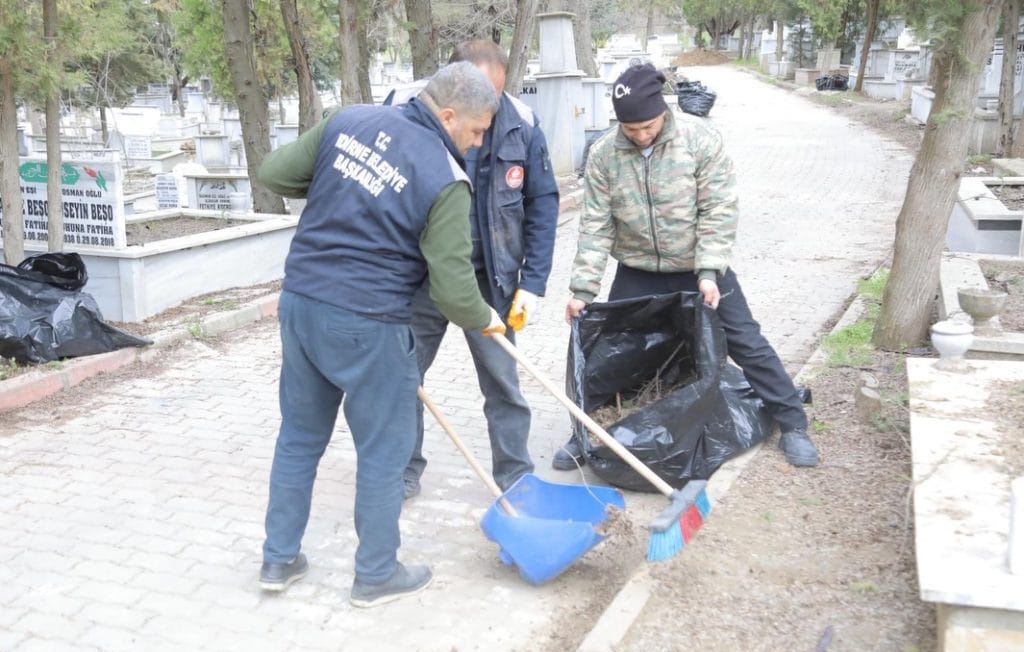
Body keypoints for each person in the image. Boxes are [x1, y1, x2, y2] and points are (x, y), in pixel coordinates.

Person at [256, 62, 507, 607]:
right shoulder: (446, 176)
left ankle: (278, 558)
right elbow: (452, 289)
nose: (479, 142)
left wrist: (339, 183)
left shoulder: (349, 121)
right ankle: (375, 573)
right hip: (370, 323)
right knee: (383, 451)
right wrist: (486, 318)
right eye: (477, 129)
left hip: (301, 304)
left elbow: (274, 172)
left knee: (299, 437)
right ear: (447, 115)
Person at [558, 63, 819, 470]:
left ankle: (792, 422)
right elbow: (595, 224)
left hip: (697, 266)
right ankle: (587, 434)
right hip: (638, 269)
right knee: (611, 352)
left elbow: (718, 208)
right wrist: (582, 291)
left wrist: (710, 271)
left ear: (663, 111)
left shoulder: (699, 141)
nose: (641, 135)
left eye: (648, 126)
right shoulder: (604, 154)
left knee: (745, 341)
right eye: (632, 130)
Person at [388, 40, 560, 497]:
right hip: (421, 279)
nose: (489, 108)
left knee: (504, 385)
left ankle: (516, 476)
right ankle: (401, 472)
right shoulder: (406, 113)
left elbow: (543, 200)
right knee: (402, 379)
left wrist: (533, 282)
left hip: (491, 280)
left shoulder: (522, 124)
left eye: (497, 96)